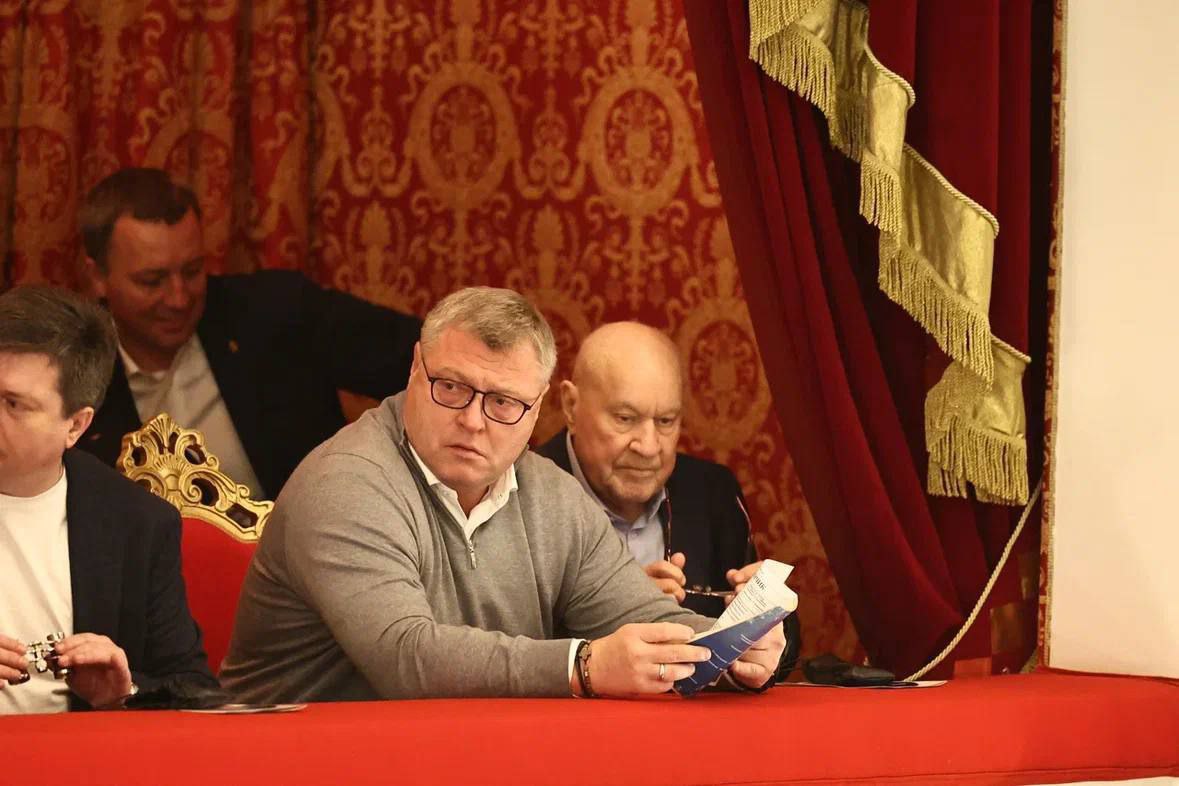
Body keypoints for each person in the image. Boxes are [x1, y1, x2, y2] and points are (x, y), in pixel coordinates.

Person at [220, 287, 784, 702]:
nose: (473, 421)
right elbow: (406, 658)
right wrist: (584, 665)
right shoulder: (346, 482)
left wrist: (732, 649)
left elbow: (642, 616)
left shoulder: (553, 497)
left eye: (503, 402)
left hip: (460, 758)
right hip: (290, 763)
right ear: (415, 369)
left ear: (538, 409)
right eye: (451, 387)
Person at [76, 167, 421, 499]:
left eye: (193, 271)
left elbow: (424, 357)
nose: (179, 298)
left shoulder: (275, 312)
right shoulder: (73, 376)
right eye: (152, 281)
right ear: (97, 277)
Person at [535, 321, 801, 672]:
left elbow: (778, 653)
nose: (648, 447)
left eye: (665, 421)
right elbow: (507, 652)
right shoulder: (524, 492)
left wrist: (766, 618)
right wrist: (617, 604)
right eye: (625, 418)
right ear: (571, 406)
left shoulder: (712, 493)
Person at [0, 286, 216, 714]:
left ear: (75, 426)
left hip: (76, 749)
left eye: (13, 403)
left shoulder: (136, 522)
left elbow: (193, 688)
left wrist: (122, 692)